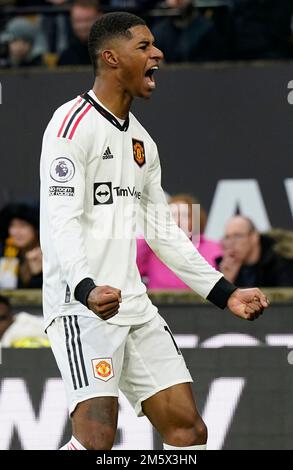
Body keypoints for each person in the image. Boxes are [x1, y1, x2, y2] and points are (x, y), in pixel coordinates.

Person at [40, 12, 268, 451]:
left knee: (189, 432)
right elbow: (59, 219)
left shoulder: (143, 143)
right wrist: (86, 287)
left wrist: (225, 292)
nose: (157, 54)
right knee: (96, 438)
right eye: (144, 47)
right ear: (110, 57)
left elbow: (164, 233)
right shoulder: (71, 125)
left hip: (133, 306)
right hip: (80, 305)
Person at [137, 193, 222, 289]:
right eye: (172, 215)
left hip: (200, 303)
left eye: (185, 215)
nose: (178, 220)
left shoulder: (214, 248)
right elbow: (131, 266)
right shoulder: (151, 249)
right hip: (158, 303)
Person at [217, 215, 293, 287]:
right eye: (227, 237)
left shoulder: (281, 263)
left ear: (254, 237)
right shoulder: (225, 266)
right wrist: (227, 282)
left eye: (237, 236)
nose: (230, 243)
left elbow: (285, 298)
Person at [0, 203, 43, 289]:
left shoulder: (45, 252)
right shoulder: (6, 251)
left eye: (23, 225)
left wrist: (37, 273)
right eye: (12, 225)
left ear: (36, 229)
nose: (16, 232)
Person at [58, 0, 102, 66]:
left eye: (88, 20)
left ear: (100, 17)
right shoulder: (67, 56)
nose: (83, 26)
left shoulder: (112, 52)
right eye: (78, 21)